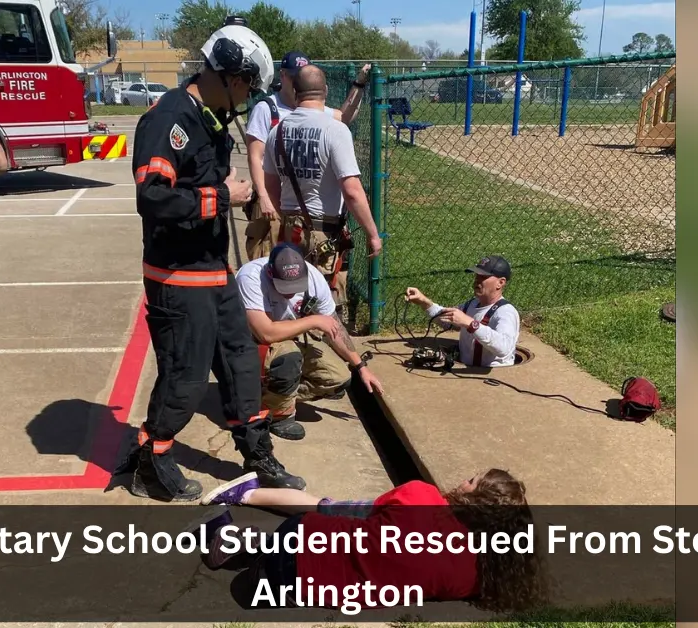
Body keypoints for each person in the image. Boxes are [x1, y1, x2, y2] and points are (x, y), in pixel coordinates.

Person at [113, 18, 305, 503]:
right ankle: (149, 461)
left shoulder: (212, 120)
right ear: (226, 75)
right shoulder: (169, 118)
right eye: (245, 86)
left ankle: (257, 453)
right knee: (185, 374)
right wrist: (220, 196)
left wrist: (224, 193)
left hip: (212, 270)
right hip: (176, 274)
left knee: (241, 364)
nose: (245, 97)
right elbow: (152, 197)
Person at [196, 468, 542, 614]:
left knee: (325, 523)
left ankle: (227, 541)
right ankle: (246, 556)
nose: (464, 479)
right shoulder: (474, 578)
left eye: (471, 479)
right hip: (303, 592)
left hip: (296, 545)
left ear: (472, 498)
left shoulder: (421, 496)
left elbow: (351, 516)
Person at [264, 64, 382, 319]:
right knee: (326, 302)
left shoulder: (278, 131)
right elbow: (351, 190)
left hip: (289, 227)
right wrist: (373, 233)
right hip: (324, 232)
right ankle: (329, 352)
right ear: (326, 91)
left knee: (293, 297)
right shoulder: (335, 130)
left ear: (295, 92)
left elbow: (271, 185)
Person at [236, 243, 384, 440]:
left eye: (295, 286)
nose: (290, 292)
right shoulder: (250, 277)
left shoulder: (313, 277)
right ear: (270, 273)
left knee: (338, 378)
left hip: (289, 333)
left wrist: (360, 366)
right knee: (289, 356)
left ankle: (266, 397)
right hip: (250, 342)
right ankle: (280, 415)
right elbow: (266, 333)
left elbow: (336, 329)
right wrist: (314, 320)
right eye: (284, 287)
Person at [242, 53, 371, 262]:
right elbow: (255, 157)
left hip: (310, 215)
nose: (298, 83)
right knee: (271, 262)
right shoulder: (267, 109)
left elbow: (344, 117)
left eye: (301, 77)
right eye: (294, 77)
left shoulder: (318, 111)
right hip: (275, 200)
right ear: (283, 76)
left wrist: (357, 86)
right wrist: (264, 198)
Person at [405, 255, 521, 368]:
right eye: (477, 275)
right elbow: (447, 320)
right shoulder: (472, 304)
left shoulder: (505, 312)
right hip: (467, 372)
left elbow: (504, 348)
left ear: (500, 283)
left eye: (483, 277)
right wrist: (424, 302)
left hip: (496, 379)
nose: (477, 280)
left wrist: (471, 323)